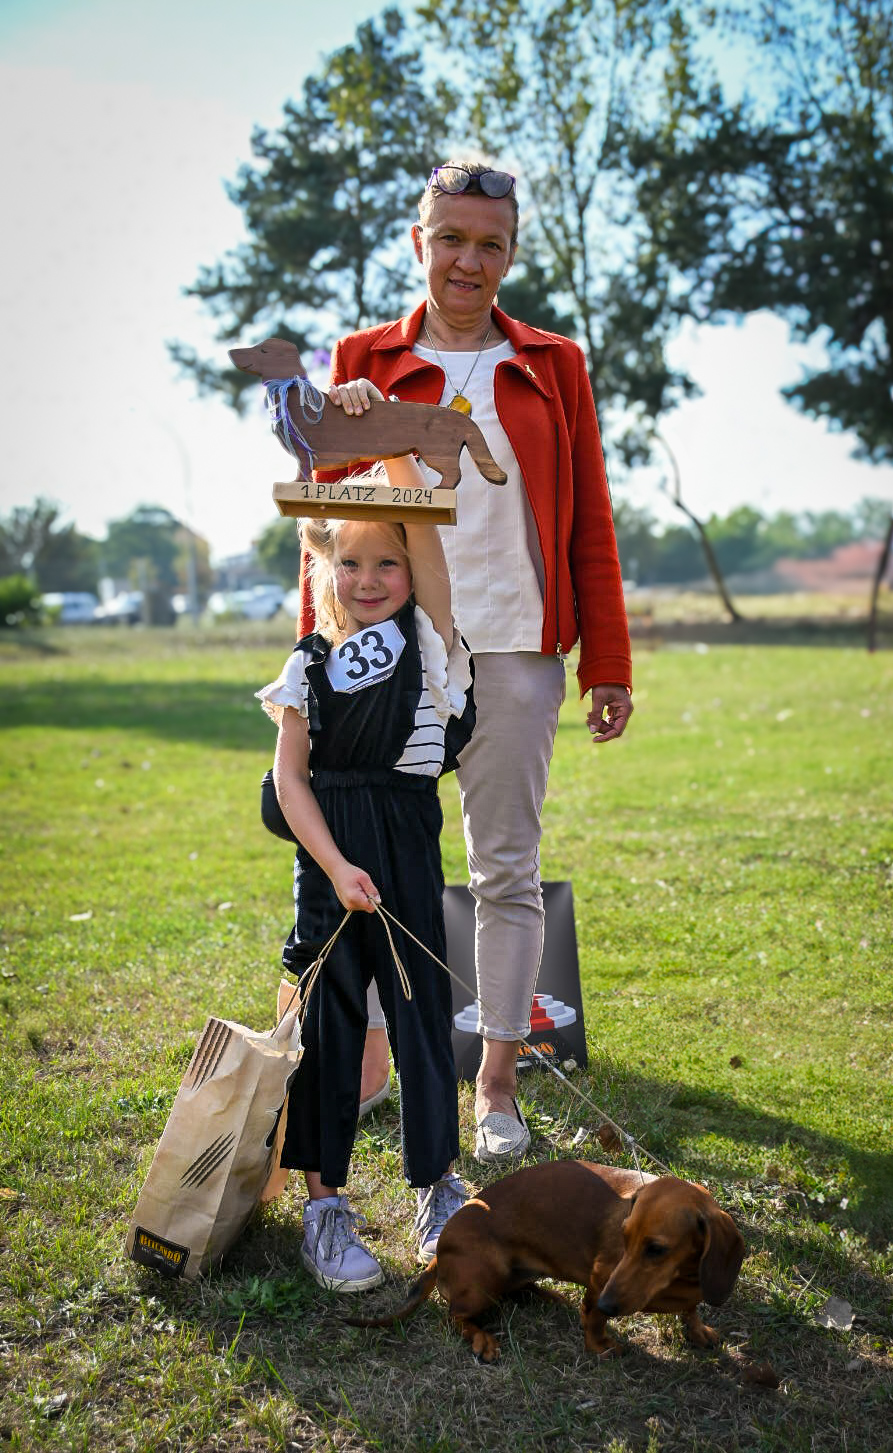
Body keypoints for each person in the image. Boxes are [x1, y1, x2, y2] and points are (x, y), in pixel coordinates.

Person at [297, 160, 633, 1165]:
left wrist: (605, 657)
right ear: (418, 243)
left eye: (489, 243)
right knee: (365, 868)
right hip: (389, 649)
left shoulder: (554, 361)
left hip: (517, 645)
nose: (467, 260)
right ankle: (366, 1065)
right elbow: (318, 518)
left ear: (510, 253)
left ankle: (493, 1078)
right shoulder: (362, 355)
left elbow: (589, 516)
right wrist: (314, 651)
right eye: (450, 238)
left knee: (505, 867)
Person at [257, 466, 475, 1291]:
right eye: (351, 564)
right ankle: (325, 1208)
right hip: (330, 854)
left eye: (389, 563)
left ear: (414, 573)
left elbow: (427, 534)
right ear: (326, 571)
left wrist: (393, 448)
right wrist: (336, 864)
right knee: (330, 1025)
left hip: (408, 838)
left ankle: (438, 1189)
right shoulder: (307, 662)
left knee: (420, 1016)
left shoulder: (430, 640)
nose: (370, 580)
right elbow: (290, 781)